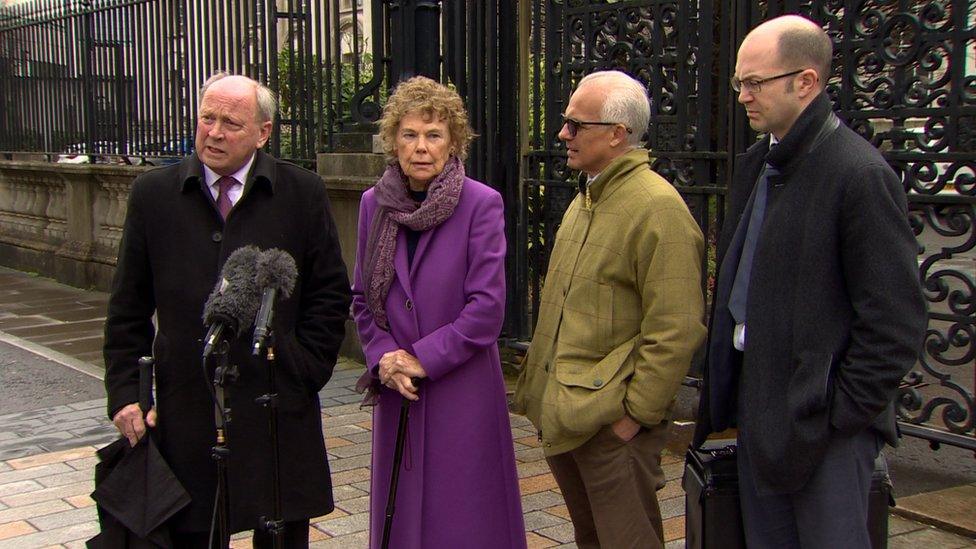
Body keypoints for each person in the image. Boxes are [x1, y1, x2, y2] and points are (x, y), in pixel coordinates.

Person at [693, 15, 927, 548]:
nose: (742, 96)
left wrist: (836, 412)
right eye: (738, 83)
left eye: (755, 82)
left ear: (807, 81)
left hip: (825, 429)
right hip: (762, 411)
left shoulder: (859, 175)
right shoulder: (758, 162)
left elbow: (895, 324)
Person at [103, 73, 352, 548]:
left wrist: (305, 369)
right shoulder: (154, 195)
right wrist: (126, 394)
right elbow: (127, 309)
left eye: (230, 123)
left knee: (277, 529)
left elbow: (330, 295)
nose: (213, 133)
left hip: (275, 405)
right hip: (187, 406)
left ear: (263, 132)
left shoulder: (301, 193)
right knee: (191, 530)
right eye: (207, 118)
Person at [512, 70, 707, 549]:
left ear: (617, 134)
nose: (562, 134)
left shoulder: (658, 208)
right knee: (592, 539)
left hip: (612, 426)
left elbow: (676, 328)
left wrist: (633, 417)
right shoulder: (588, 198)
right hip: (570, 415)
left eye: (575, 125)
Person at [351, 76, 526, 549]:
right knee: (401, 515)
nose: (421, 147)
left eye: (434, 136)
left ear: (454, 143)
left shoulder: (480, 204)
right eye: (409, 135)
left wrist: (422, 358)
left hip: (460, 388)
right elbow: (362, 298)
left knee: (465, 518)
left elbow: (487, 308)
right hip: (398, 388)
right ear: (393, 141)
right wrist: (385, 358)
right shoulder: (373, 205)